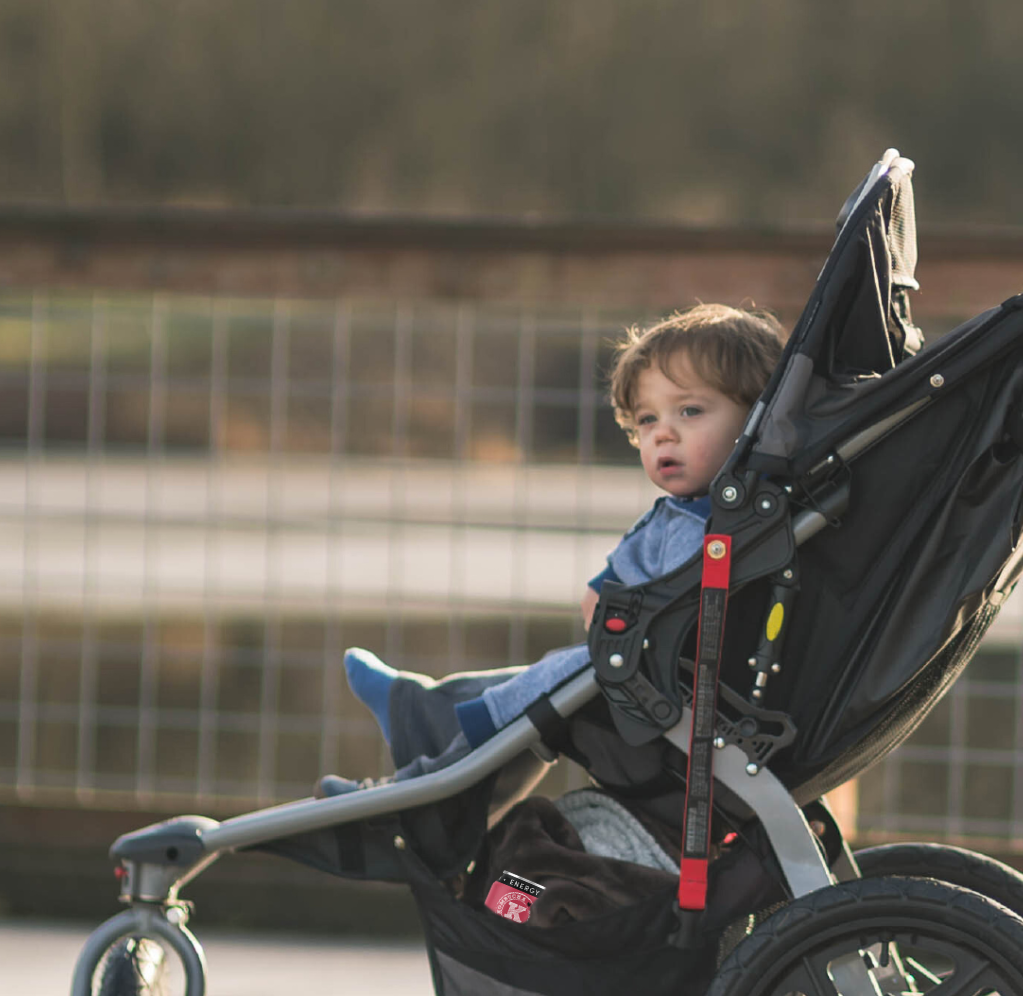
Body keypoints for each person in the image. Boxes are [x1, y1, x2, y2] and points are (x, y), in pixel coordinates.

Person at [332, 302, 786, 781]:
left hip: (662, 680)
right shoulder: (684, 513)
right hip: (633, 658)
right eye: (647, 420)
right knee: (547, 679)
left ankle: (415, 768)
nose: (663, 435)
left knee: (555, 686)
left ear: (757, 418)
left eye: (690, 411)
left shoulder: (726, 526)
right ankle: (422, 713)